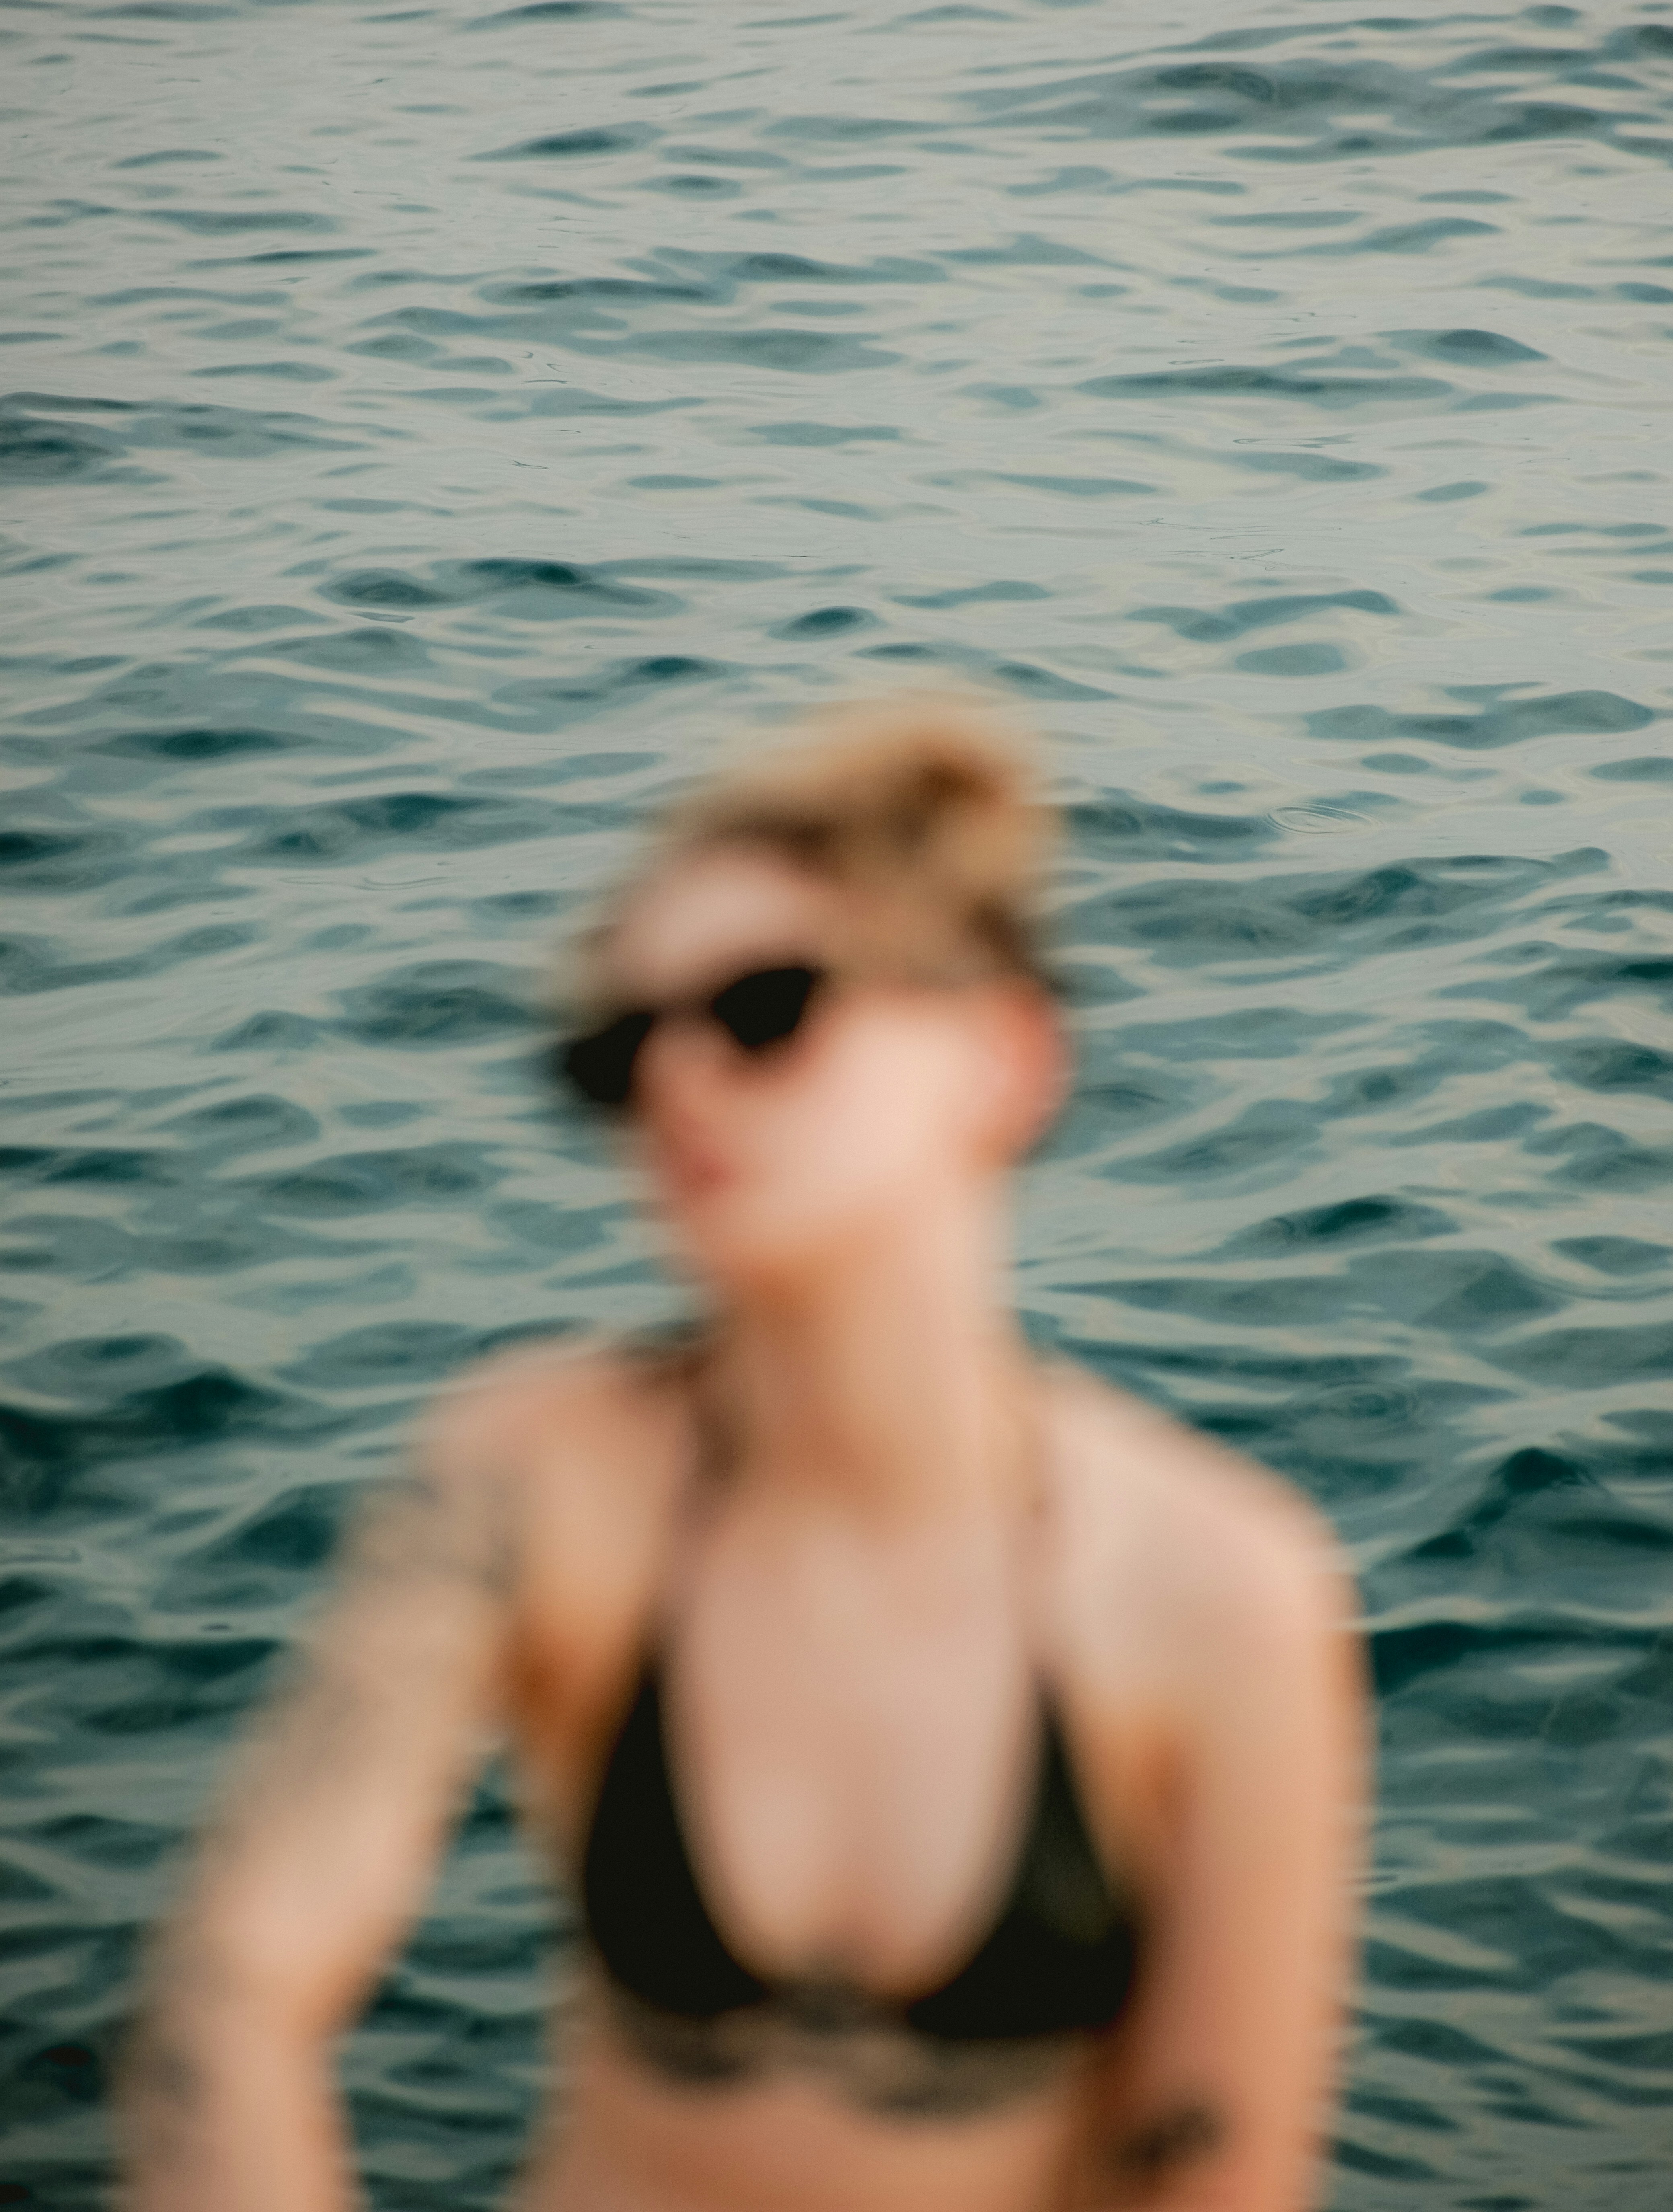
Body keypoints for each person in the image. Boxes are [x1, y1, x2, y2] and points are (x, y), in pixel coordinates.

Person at [121, 694, 1368, 2212]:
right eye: (618, 1046)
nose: (677, 1079)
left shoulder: (1219, 1592)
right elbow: (235, 1990)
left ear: (1005, 1054)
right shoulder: (538, 1477)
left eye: (766, 1009)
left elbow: (1213, 2172)